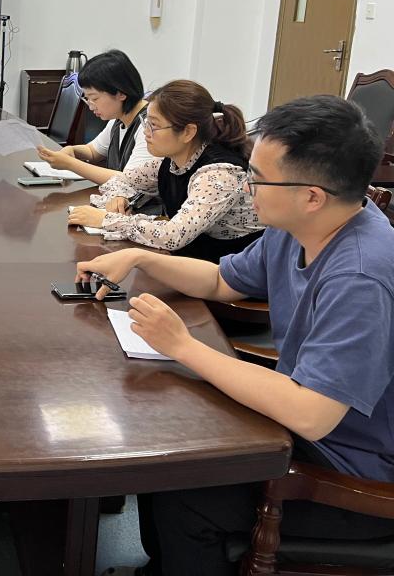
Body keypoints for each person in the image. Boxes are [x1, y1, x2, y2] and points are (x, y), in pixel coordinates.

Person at [79, 95, 394, 576]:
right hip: (311, 423)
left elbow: (311, 414)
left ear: (312, 195)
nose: (247, 189)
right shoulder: (299, 225)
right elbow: (221, 281)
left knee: (184, 488)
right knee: (167, 437)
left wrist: (182, 346)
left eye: (258, 179)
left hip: (355, 470)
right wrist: (139, 258)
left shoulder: (360, 277)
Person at [67, 79, 262, 262]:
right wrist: (120, 197)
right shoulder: (171, 161)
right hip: (196, 260)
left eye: (154, 125)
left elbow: (173, 235)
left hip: (235, 269)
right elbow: (122, 180)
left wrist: (107, 219)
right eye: (146, 123)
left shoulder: (219, 174)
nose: (146, 132)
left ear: (188, 132)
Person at [36, 50, 154, 184]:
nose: (91, 107)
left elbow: (129, 180)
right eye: (87, 99)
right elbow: (93, 151)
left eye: (94, 98)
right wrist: (72, 150)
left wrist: (70, 164)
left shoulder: (148, 125)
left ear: (121, 93)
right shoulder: (118, 118)